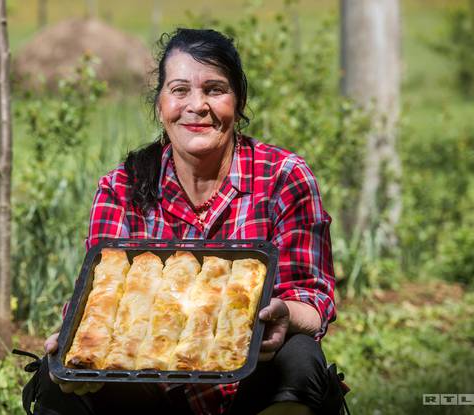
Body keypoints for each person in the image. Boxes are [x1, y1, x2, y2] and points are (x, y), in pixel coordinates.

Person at [22, 28, 347, 415]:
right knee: (59, 378)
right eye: (180, 90)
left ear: (238, 102)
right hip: (150, 391)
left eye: (214, 89)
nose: (197, 105)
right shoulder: (121, 188)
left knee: (301, 356)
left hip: (250, 385)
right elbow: (101, 300)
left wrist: (285, 316)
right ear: (160, 106)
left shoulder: (283, 177)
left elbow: (313, 298)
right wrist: (72, 344)